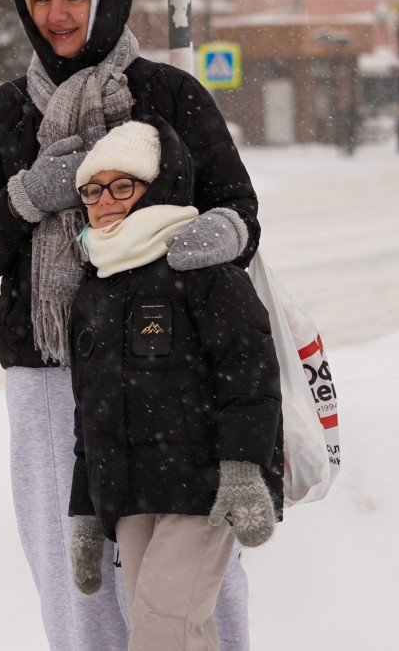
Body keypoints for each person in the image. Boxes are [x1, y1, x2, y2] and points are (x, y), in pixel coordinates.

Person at [0, 0, 262, 650]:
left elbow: (238, 208)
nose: (57, 15)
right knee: (75, 569)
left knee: (186, 565)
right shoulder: (5, 114)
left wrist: (214, 238)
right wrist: (29, 195)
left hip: (168, 365)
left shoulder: (169, 96)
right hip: (50, 374)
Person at [66, 117, 283, 651]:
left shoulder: (203, 270)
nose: (105, 201)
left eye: (123, 186)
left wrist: (243, 469)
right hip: (132, 495)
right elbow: (90, 413)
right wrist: (85, 510)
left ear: (158, 187)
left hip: (204, 489)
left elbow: (249, 373)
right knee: (169, 629)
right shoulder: (94, 290)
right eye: (93, 190)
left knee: (162, 629)